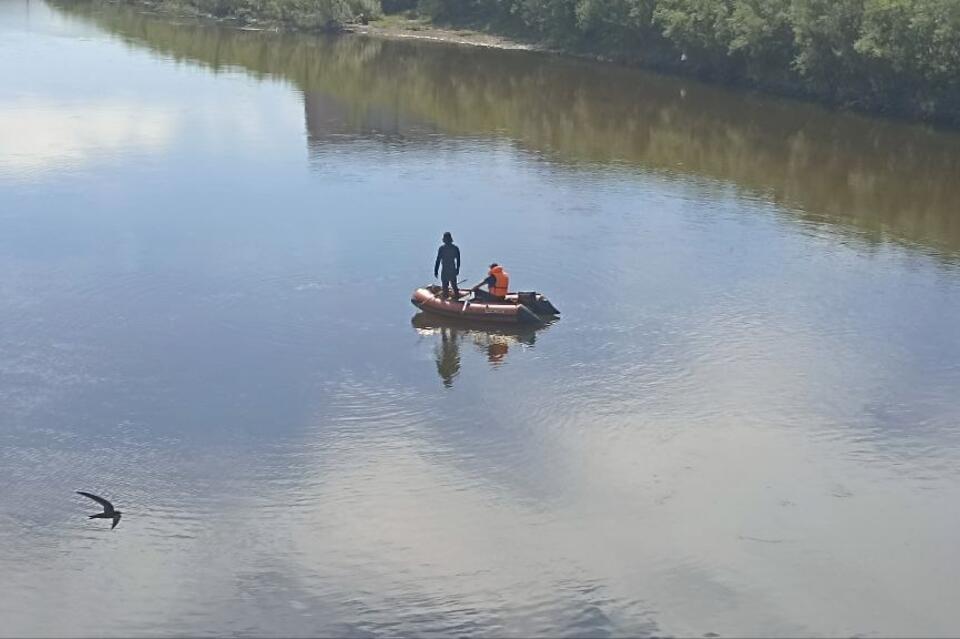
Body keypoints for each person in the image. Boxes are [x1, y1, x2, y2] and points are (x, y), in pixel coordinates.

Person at [434, 232, 461, 298]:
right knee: (453, 286)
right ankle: (456, 298)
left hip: (446, 270)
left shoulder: (442, 249)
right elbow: (458, 260)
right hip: (452, 269)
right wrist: (457, 269)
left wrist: (436, 271)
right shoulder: (455, 248)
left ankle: (447, 300)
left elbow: (438, 260)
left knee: (446, 287)